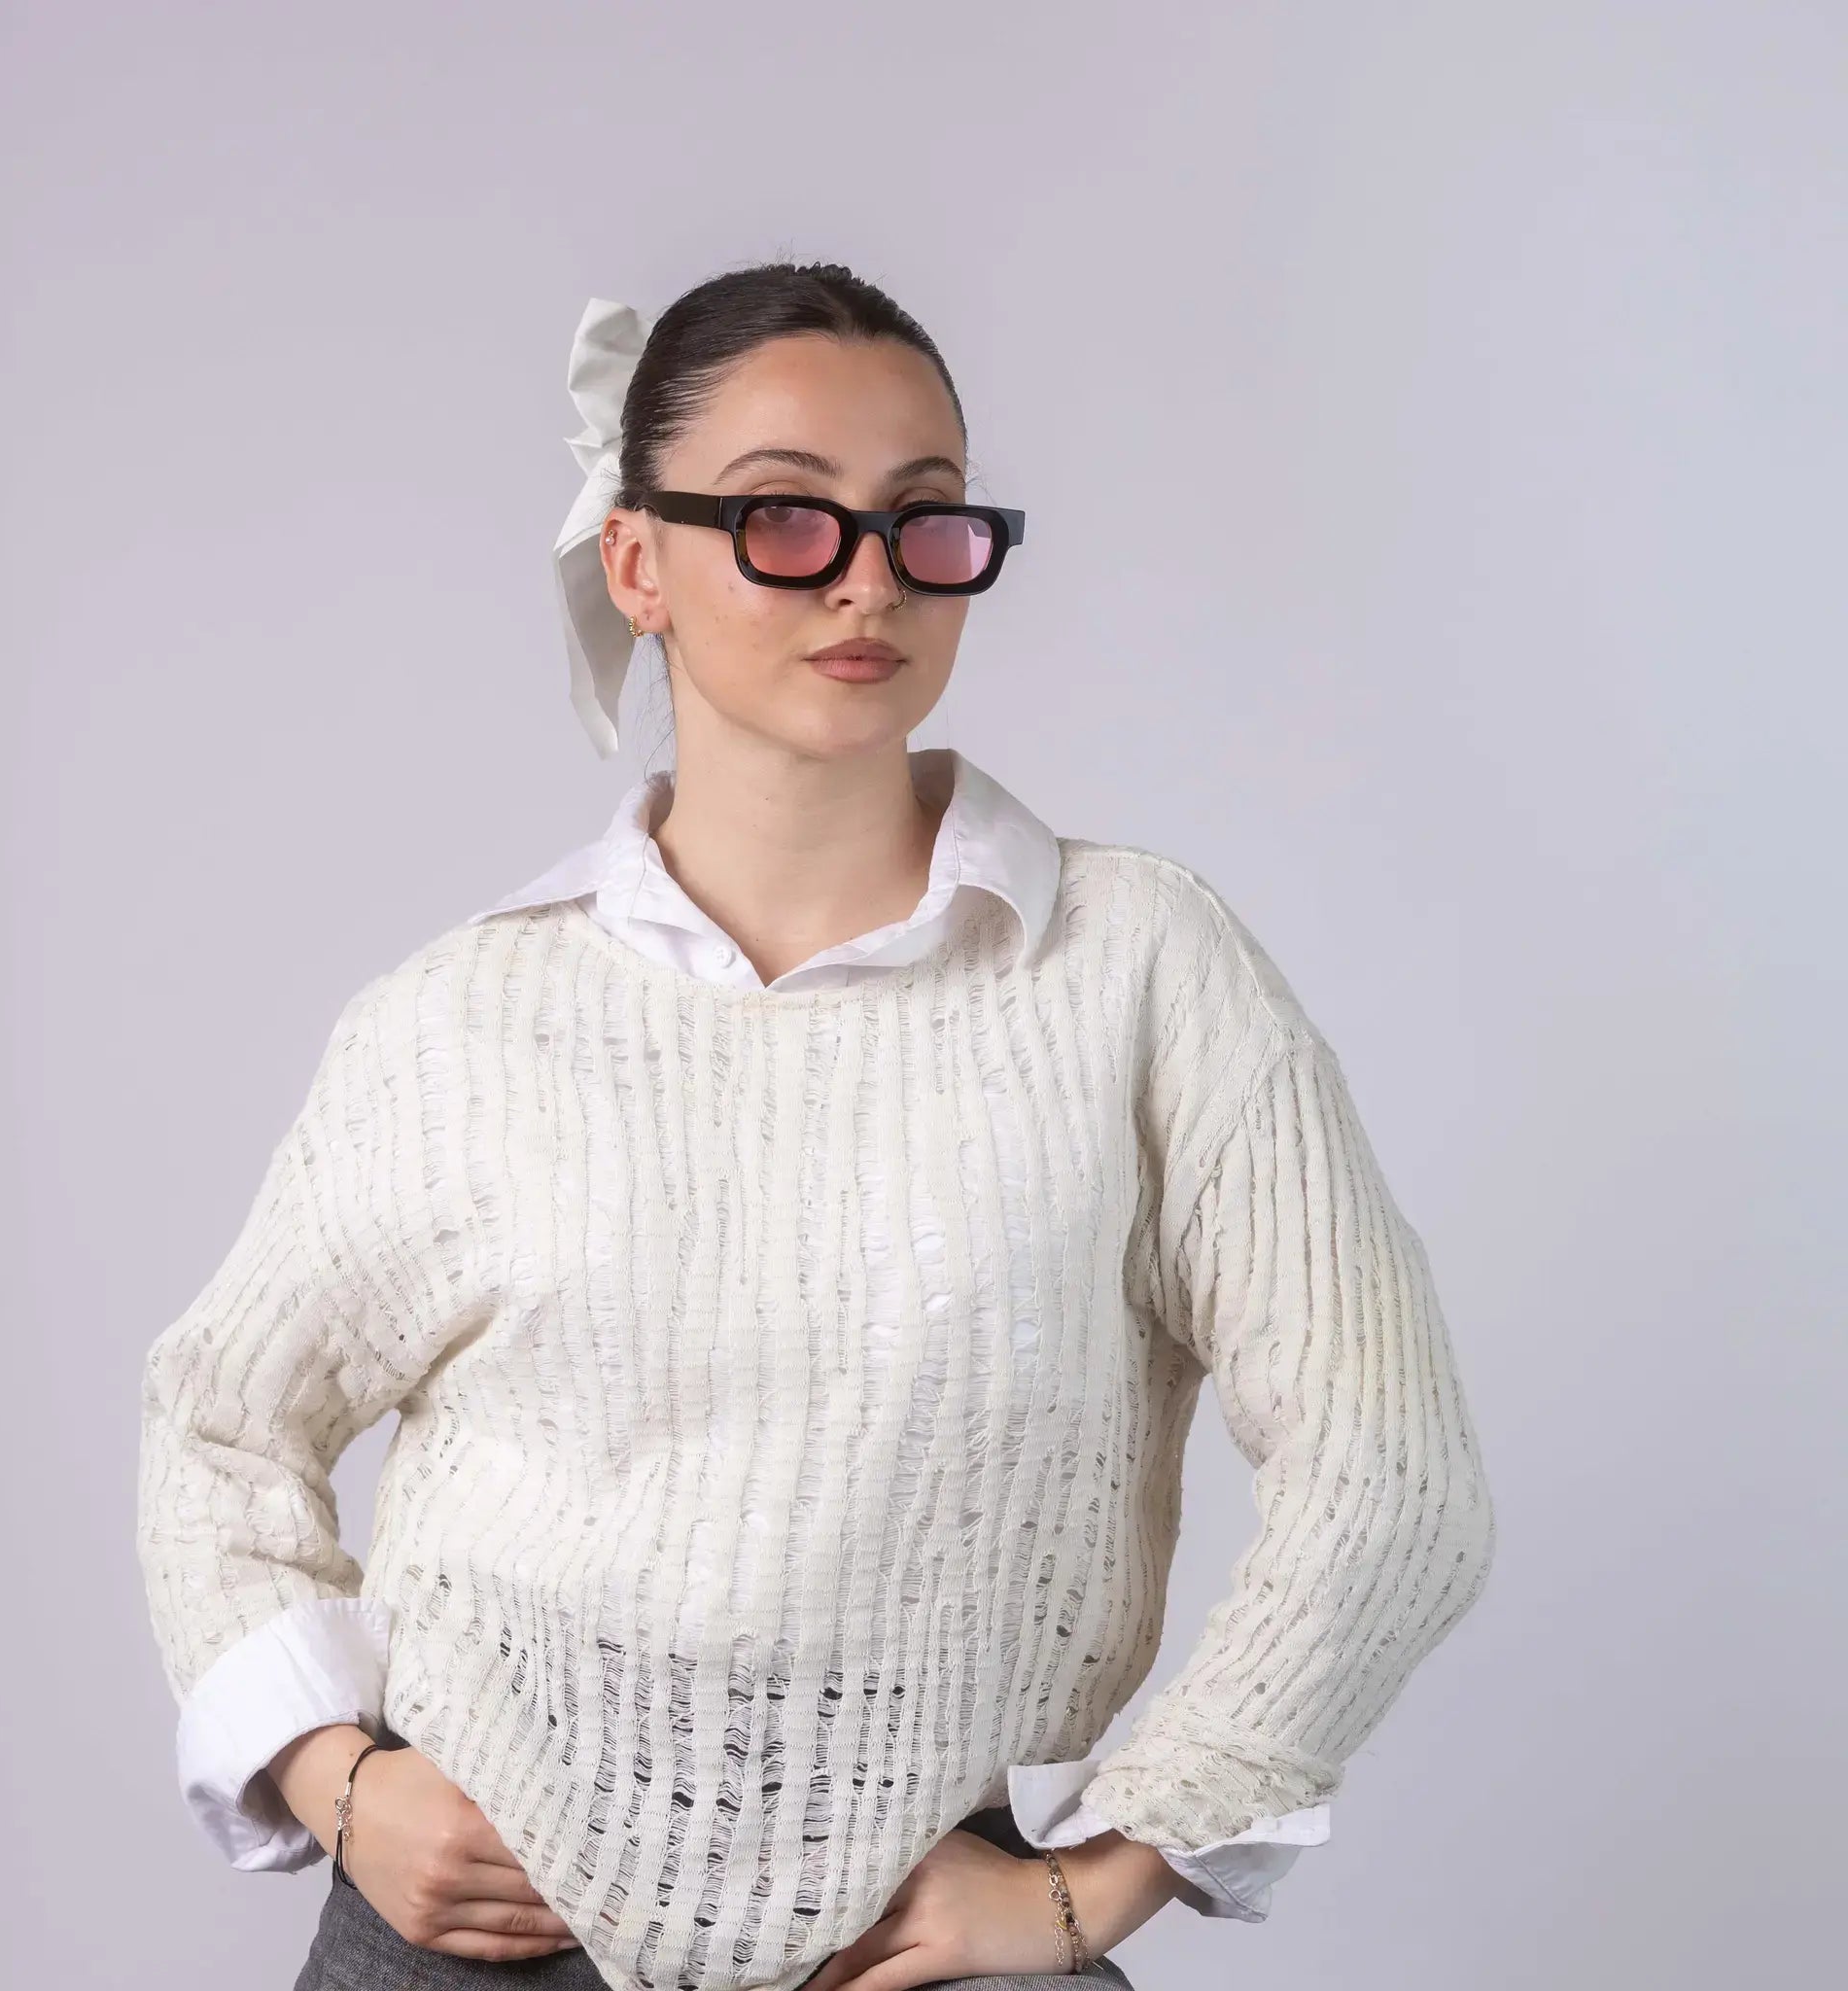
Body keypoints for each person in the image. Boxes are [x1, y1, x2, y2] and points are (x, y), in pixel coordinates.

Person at [134, 261, 1498, 1991]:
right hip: (470, 1950)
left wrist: (1092, 1885)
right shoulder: (460, 1019)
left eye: (926, 523)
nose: (868, 580)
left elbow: (1393, 1478)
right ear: (640, 561)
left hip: (937, 1953)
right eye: (786, 517)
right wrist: (337, 1783)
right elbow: (217, 1433)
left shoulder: (1138, 970)